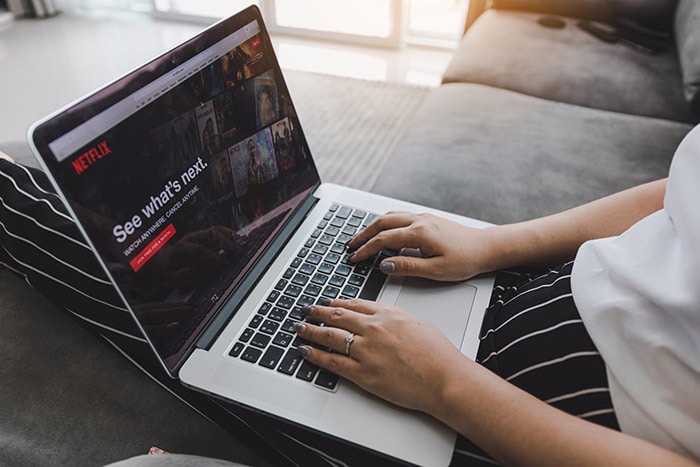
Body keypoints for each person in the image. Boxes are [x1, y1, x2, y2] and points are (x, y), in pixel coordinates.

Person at [1, 119, 698, 466]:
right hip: (531, 289)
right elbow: (678, 197)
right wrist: (495, 243)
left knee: (170, 310)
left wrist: (449, 386)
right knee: (268, 246)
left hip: (515, 428)